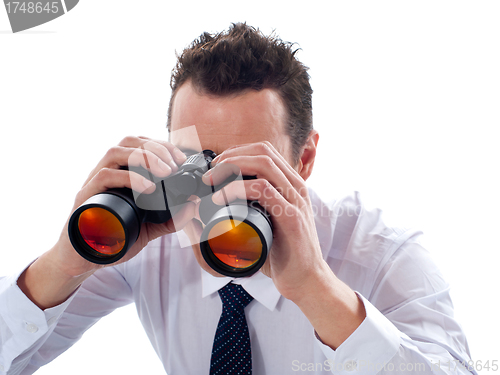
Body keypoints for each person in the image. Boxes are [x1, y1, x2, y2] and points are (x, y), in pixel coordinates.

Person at [0, 23, 475, 375]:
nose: (210, 197)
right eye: (196, 163)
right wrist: (62, 263)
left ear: (304, 159)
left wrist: (315, 289)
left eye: (247, 168)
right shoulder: (152, 241)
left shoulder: (382, 251)